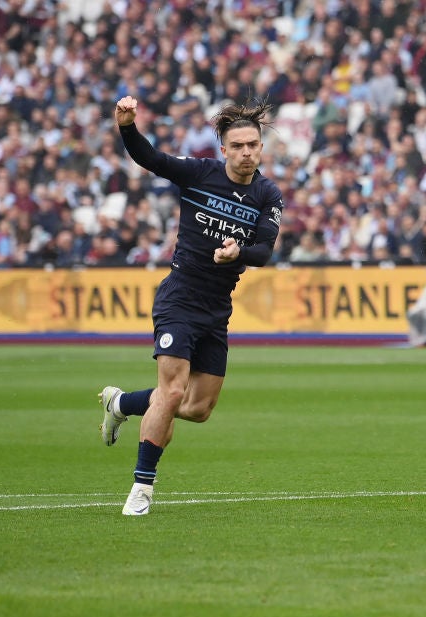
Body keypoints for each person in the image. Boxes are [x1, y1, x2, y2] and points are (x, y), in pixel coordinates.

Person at [97, 96, 284, 516]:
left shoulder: (268, 194)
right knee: (173, 389)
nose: (246, 152)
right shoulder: (199, 173)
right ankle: (142, 488)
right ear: (223, 149)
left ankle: (121, 404)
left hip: (218, 309)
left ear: (260, 147)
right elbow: (150, 158)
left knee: (197, 409)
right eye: (237, 146)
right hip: (180, 296)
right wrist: (127, 126)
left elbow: (264, 251)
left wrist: (238, 253)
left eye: (252, 144)